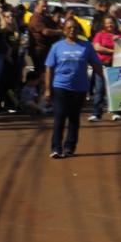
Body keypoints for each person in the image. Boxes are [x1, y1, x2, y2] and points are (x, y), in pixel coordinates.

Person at [42, 17, 103, 159]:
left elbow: (96, 65)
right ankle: (56, 148)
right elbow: (49, 68)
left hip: (79, 87)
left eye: (75, 28)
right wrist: (47, 88)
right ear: (64, 30)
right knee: (60, 116)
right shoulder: (57, 47)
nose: (72, 30)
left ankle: (70, 147)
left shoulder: (86, 46)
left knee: (74, 118)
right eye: (69, 28)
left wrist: (107, 79)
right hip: (60, 86)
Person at [89, 14, 118, 122]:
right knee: (99, 89)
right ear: (104, 24)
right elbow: (97, 47)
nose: (110, 25)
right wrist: (113, 51)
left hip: (116, 65)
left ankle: (116, 112)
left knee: (115, 89)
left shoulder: (120, 36)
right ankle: (96, 113)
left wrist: (118, 41)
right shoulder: (99, 35)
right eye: (107, 23)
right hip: (102, 64)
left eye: (111, 22)